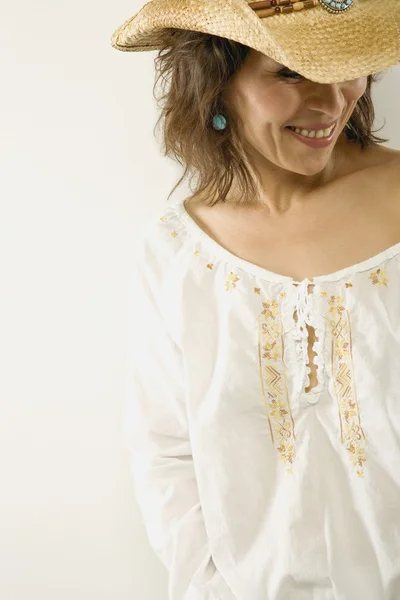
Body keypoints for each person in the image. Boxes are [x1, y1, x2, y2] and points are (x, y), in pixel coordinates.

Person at [111, 1, 400, 598]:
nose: (330, 101)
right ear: (215, 83)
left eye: (345, 64)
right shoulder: (175, 256)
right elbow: (167, 457)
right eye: (290, 73)